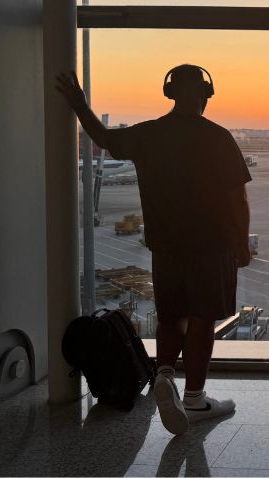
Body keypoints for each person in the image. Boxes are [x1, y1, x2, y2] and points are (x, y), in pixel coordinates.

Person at [56, 65, 252, 435]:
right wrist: (241, 243)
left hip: (166, 245)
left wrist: (79, 104)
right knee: (202, 319)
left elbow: (101, 137)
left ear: (169, 93)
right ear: (207, 95)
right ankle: (194, 397)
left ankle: (164, 375)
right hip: (212, 246)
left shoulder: (148, 135)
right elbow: (237, 198)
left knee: (170, 315)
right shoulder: (218, 138)